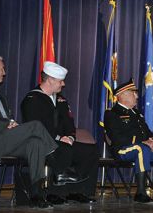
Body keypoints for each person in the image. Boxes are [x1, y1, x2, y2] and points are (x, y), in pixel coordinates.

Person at [0, 55, 58, 208]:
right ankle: (58, 164)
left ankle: (36, 194)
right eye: (2, 68)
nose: (4, 72)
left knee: (36, 143)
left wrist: (11, 123)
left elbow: (7, 119)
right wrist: (6, 124)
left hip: (4, 141)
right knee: (35, 126)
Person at [21, 61, 99, 204]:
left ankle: (78, 191)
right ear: (50, 80)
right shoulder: (32, 99)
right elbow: (35, 127)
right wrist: (58, 138)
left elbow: (69, 123)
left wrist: (69, 136)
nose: (63, 84)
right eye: (60, 81)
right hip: (41, 142)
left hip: (62, 142)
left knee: (91, 151)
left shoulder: (61, 100)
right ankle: (54, 193)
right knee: (63, 149)